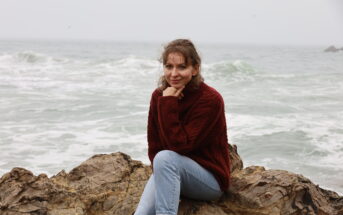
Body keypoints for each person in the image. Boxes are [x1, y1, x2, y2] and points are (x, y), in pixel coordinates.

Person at [134, 39, 231, 215]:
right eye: (169, 66)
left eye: (181, 67)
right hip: (170, 168)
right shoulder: (159, 96)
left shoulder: (210, 100)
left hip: (209, 180)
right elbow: (155, 146)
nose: (174, 73)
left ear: (195, 69)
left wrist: (169, 103)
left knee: (165, 158)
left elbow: (181, 146)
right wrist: (166, 181)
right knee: (142, 213)